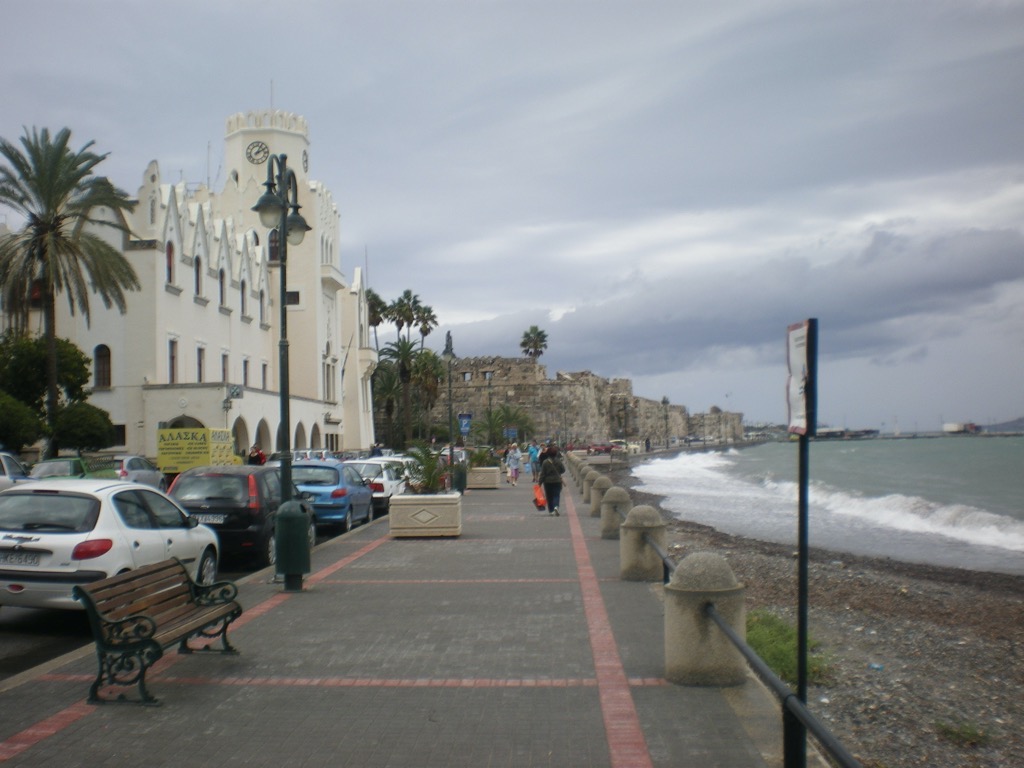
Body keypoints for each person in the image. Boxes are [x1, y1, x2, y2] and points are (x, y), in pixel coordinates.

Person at [536, 443, 565, 516]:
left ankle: (551, 510)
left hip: (547, 481)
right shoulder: (558, 461)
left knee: (549, 496)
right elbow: (563, 470)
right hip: (557, 480)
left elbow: (543, 474)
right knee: (556, 495)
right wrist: (558, 472)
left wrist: (539, 483)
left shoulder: (545, 462)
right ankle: (556, 507)